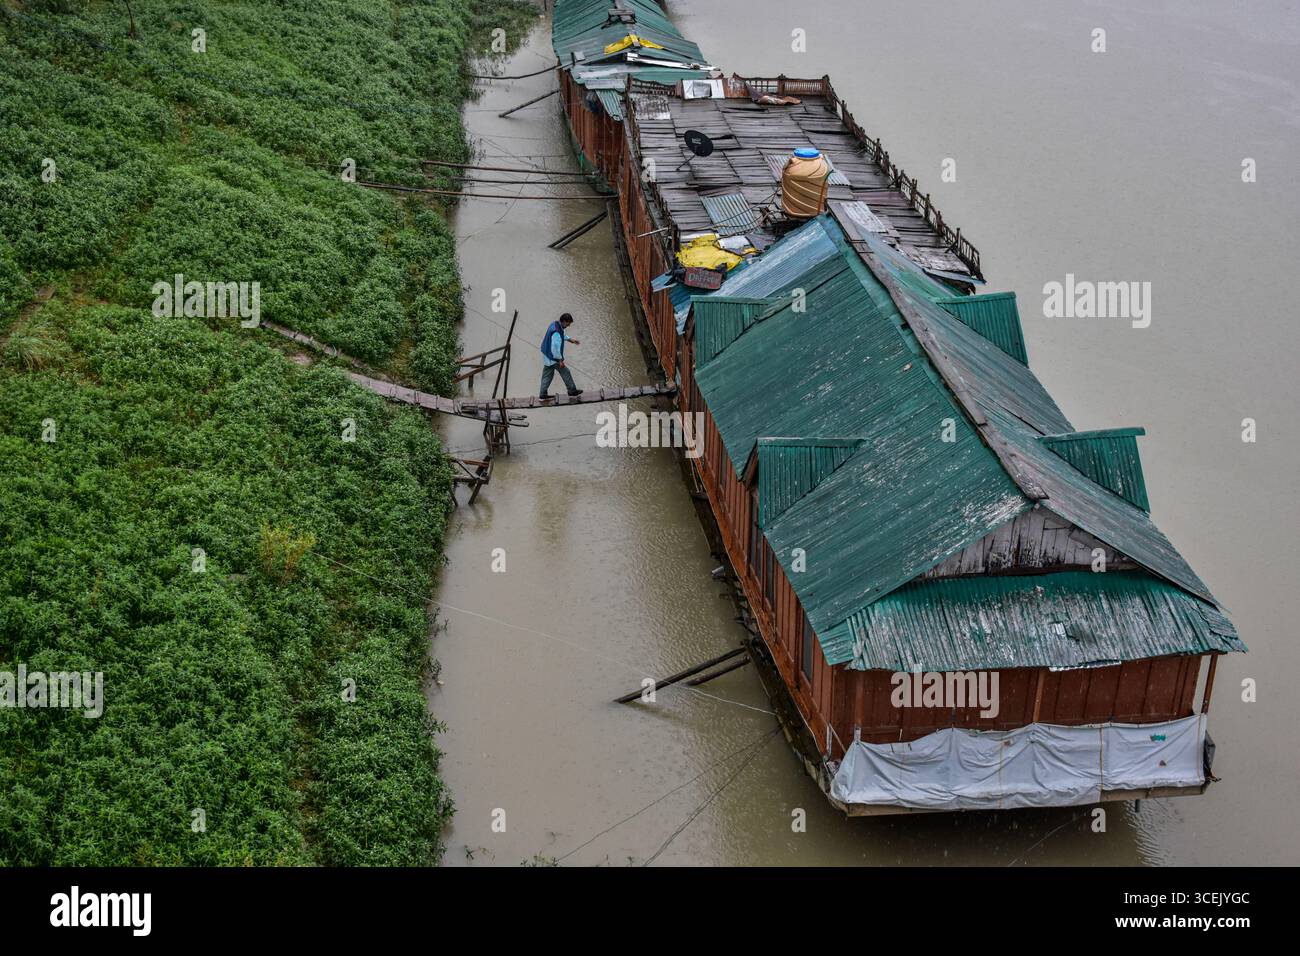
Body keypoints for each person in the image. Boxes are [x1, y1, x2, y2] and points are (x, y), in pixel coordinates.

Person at [538, 313, 583, 399]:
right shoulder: (556, 332)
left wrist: (570, 339)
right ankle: (572, 391)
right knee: (566, 372)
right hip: (553, 357)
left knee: (547, 375)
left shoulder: (555, 324)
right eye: (568, 323)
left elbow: (561, 335)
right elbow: (555, 348)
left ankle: (542, 394)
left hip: (547, 355)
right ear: (564, 321)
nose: (569, 325)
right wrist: (560, 360)